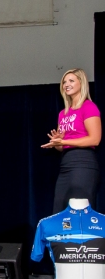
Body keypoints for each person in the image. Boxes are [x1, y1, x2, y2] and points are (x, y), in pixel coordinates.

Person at [42, 68, 101, 212]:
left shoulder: (89, 107)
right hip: (66, 164)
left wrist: (65, 142)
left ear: (81, 83)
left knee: (79, 211)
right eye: (64, 82)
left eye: (71, 81)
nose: (66, 84)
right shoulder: (63, 113)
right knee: (61, 210)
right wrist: (58, 142)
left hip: (83, 163)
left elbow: (95, 139)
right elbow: (63, 147)